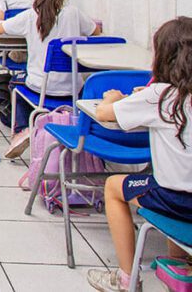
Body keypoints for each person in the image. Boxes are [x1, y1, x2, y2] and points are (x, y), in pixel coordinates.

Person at [87, 17, 192, 292]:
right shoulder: (161, 96)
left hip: (175, 200)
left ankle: (126, 278)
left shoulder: (159, 95)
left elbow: (103, 113)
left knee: (113, 187)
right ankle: (178, 264)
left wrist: (113, 98)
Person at [0, 0, 101, 97]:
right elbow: (96, 31)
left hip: (38, 86)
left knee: (11, 81)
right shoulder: (74, 13)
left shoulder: (30, 15)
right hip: (73, 90)